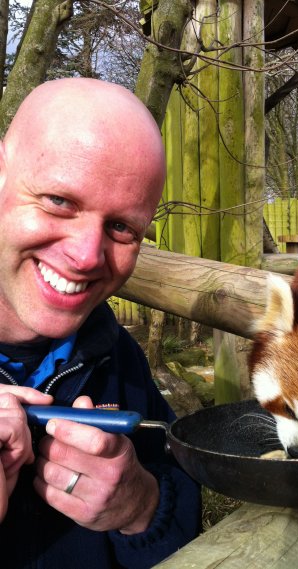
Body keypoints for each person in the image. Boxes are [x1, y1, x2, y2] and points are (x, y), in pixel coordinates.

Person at [0, 78, 201, 568]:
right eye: (60, 201)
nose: (87, 257)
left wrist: (140, 506)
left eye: (121, 228)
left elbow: (185, 520)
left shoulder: (113, 353)